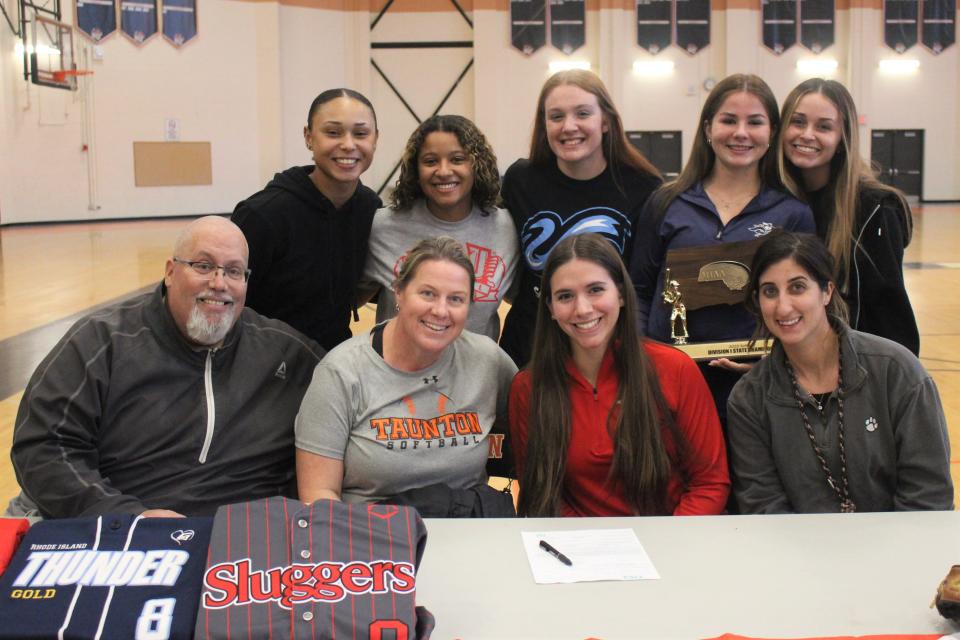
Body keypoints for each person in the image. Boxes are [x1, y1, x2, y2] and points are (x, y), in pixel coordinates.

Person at [9, 216, 325, 519]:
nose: (219, 283)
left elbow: (354, 395)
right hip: (124, 534)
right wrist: (127, 516)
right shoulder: (101, 343)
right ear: (170, 272)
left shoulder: (286, 354)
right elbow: (43, 448)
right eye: (203, 266)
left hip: (247, 544)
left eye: (234, 271)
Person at [629, 73, 815, 424]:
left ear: (772, 132)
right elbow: (639, 288)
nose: (740, 133)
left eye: (754, 122)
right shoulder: (666, 203)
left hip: (756, 386)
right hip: (670, 382)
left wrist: (774, 359)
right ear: (707, 128)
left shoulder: (793, 213)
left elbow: (804, 302)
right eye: (729, 120)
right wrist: (644, 355)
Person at [727, 231, 953, 513]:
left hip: (897, 550)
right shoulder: (749, 398)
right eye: (770, 291)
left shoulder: (897, 372)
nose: (783, 307)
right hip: (796, 553)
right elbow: (763, 505)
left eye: (797, 288)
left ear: (826, 291)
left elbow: (928, 496)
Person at [509, 234, 730, 517]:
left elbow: (709, 483)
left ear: (622, 294)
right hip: (581, 549)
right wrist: (597, 550)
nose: (583, 309)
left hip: (673, 544)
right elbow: (541, 494)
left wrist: (668, 545)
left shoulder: (675, 369)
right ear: (551, 309)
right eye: (565, 296)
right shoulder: (529, 388)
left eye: (595, 290)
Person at [296, 236, 518, 505]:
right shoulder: (341, 372)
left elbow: (533, 436)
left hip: (467, 530)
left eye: (456, 299)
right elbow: (317, 496)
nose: (440, 310)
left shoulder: (488, 361)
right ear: (398, 291)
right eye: (428, 293)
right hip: (373, 534)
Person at [498, 69, 662, 367]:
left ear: (606, 121)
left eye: (582, 113)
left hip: (606, 350)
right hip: (530, 350)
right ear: (543, 124)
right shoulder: (520, 181)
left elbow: (642, 284)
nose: (569, 126)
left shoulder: (642, 187)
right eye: (556, 116)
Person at [232, 88, 381, 352]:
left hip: (333, 361)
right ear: (309, 137)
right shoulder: (263, 215)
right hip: (264, 367)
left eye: (360, 133)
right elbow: (228, 303)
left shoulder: (371, 209)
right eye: (333, 132)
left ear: (375, 140)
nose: (348, 144)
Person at [777, 78, 919, 354]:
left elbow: (889, 309)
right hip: (791, 367)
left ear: (843, 138)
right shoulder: (773, 201)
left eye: (824, 127)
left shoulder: (875, 209)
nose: (807, 134)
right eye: (798, 122)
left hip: (852, 370)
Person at [362, 114, 518, 340]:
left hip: (475, 372)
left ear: (477, 165)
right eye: (430, 161)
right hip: (397, 370)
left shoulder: (505, 228)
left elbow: (521, 300)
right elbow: (352, 295)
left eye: (457, 159)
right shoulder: (383, 226)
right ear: (416, 169)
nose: (444, 171)